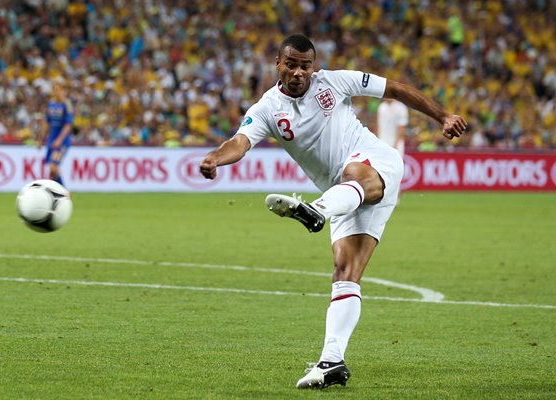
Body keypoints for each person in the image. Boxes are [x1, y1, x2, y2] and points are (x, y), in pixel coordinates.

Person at [199, 34, 466, 390]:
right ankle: (332, 362)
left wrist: (443, 115)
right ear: (278, 64)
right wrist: (216, 157)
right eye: (291, 64)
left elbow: (395, 89)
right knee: (345, 271)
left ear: (313, 66)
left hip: (375, 165)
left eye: (305, 66)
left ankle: (315, 210)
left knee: (353, 173)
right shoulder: (266, 109)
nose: (298, 72)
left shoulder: (335, 81)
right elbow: (240, 142)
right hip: (346, 195)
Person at [37, 82, 74, 187]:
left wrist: (59, 140)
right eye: (55, 90)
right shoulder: (51, 104)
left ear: (63, 91)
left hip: (62, 142)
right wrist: (41, 139)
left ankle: (64, 191)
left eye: (59, 89)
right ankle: (58, 192)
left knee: (53, 166)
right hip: (51, 139)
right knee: (52, 170)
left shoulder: (67, 105)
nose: (57, 92)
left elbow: (68, 125)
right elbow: (46, 123)